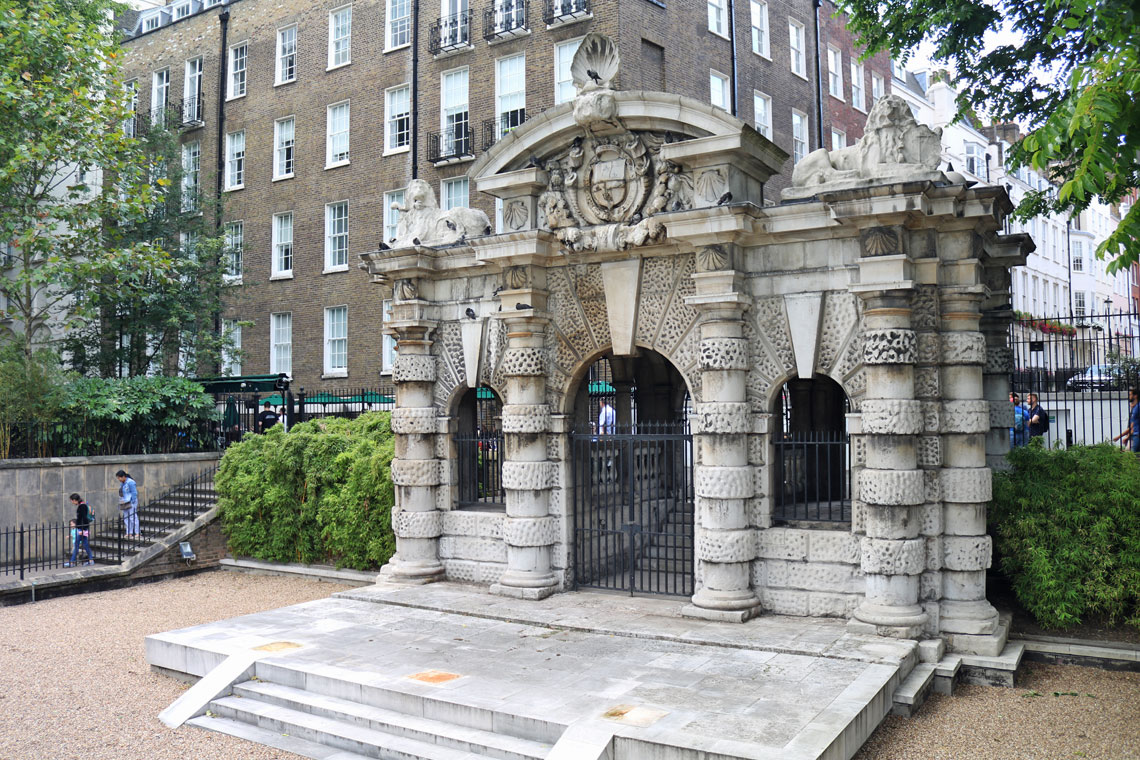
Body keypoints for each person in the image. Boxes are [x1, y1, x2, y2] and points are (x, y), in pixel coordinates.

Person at [64, 493, 94, 567]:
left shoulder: (82, 506)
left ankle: (72, 562)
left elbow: (84, 518)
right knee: (85, 545)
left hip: (82, 529)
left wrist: (83, 529)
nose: (72, 502)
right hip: (82, 528)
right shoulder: (82, 505)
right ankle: (90, 560)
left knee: (77, 545)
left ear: (74, 500)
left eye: (72, 501)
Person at [1112, 387, 1140, 453]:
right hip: (1134, 435)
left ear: (1135, 396)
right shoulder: (1135, 407)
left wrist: (1119, 437)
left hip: (1137, 435)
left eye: (1130, 394)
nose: (1129, 396)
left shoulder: (1137, 408)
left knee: (1132, 457)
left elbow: (1132, 426)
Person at [116, 469, 140, 540]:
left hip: (131, 502)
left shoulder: (130, 482)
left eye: (119, 478)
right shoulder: (122, 483)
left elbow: (134, 493)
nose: (119, 479)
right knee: (126, 517)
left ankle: (137, 532)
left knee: (133, 517)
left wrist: (132, 501)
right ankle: (128, 532)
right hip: (125, 502)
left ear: (123, 476)